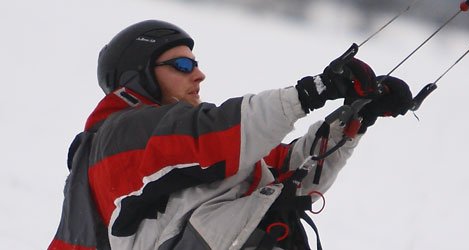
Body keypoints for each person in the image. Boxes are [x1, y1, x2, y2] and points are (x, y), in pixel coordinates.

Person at [48, 20, 413, 250]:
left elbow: (286, 171)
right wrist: (311, 92)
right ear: (137, 78)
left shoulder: (185, 156)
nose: (199, 74)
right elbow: (211, 134)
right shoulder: (118, 135)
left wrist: (353, 119)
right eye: (182, 65)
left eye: (196, 62)